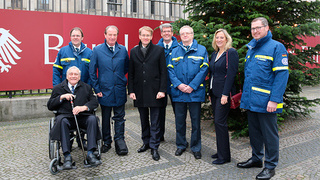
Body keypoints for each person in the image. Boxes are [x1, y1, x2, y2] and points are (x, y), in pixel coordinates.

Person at [236, 17, 289, 180]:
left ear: (267, 28)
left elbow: (282, 75)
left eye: (258, 28)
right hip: (252, 100)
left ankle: (270, 166)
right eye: (252, 29)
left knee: (269, 135)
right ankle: (256, 159)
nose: (255, 31)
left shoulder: (276, 47)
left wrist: (275, 100)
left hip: (267, 102)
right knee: (255, 133)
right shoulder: (252, 47)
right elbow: (250, 77)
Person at [48, 66, 102, 169]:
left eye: (76, 74)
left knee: (92, 119)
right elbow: (50, 105)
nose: (73, 76)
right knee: (61, 121)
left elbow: (94, 102)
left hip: (82, 117)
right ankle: (67, 156)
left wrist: (84, 107)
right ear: (67, 76)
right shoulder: (58, 88)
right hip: (66, 118)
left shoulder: (86, 87)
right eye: (71, 74)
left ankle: (90, 153)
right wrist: (61, 97)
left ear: (79, 76)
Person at [167, 25, 209, 159]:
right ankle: (181, 145)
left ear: (192, 34)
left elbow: (204, 69)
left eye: (188, 33)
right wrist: (179, 85)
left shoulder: (201, 50)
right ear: (180, 35)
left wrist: (192, 86)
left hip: (195, 92)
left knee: (196, 122)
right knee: (179, 121)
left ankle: (196, 147)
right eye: (183, 33)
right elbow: (170, 69)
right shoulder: (174, 51)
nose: (185, 35)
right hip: (179, 92)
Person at [128, 26, 167, 161]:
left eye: (148, 35)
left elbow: (163, 72)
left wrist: (162, 90)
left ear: (151, 37)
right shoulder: (133, 51)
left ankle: (154, 146)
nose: (145, 37)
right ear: (139, 36)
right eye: (143, 35)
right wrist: (131, 91)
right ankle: (146, 142)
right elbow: (131, 73)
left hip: (156, 92)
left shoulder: (159, 50)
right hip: (139, 92)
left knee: (155, 121)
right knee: (143, 120)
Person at [89, 25, 129, 156]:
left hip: (119, 89)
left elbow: (126, 68)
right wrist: (97, 88)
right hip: (104, 90)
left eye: (114, 35)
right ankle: (106, 141)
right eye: (110, 35)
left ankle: (119, 141)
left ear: (117, 35)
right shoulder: (97, 50)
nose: (112, 37)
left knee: (119, 117)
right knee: (105, 118)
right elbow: (92, 71)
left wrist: (119, 79)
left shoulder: (122, 49)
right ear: (105, 35)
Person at [52, 27, 92, 150]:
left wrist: (89, 89)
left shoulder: (89, 52)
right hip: (66, 91)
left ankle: (82, 141)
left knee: (84, 114)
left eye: (78, 35)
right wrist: (58, 89)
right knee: (66, 114)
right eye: (73, 35)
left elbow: (92, 73)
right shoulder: (63, 51)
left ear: (82, 38)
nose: (76, 37)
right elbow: (56, 70)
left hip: (83, 92)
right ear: (70, 37)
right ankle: (67, 142)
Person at [209, 29, 239, 165]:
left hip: (223, 94)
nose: (219, 40)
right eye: (217, 37)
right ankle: (221, 151)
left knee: (220, 123)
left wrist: (225, 94)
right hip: (214, 93)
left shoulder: (231, 52)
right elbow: (212, 75)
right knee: (217, 123)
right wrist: (210, 93)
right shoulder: (215, 53)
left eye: (221, 37)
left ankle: (225, 156)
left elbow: (231, 75)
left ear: (226, 39)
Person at [156, 23, 179, 142]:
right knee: (160, 112)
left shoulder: (178, 47)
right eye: (164, 31)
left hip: (176, 85)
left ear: (172, 33)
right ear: (161, 33)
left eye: (169, 31)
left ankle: (180, 138)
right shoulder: (156, 48)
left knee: (178, 112)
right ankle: (159, 136)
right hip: (161, 85)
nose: (166, 33)